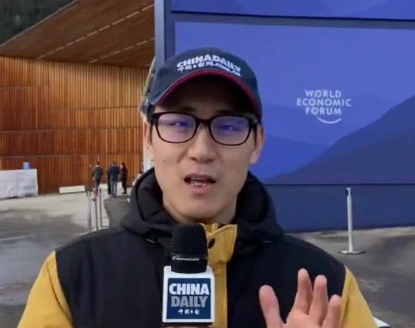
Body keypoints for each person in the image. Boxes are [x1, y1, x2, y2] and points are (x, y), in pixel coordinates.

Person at [18, 47, 377, 328]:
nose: (202, 150)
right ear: (148, 138)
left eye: (229, 126)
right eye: (179, 123)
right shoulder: (72, 277)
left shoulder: (324, 288)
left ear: (257, 144)